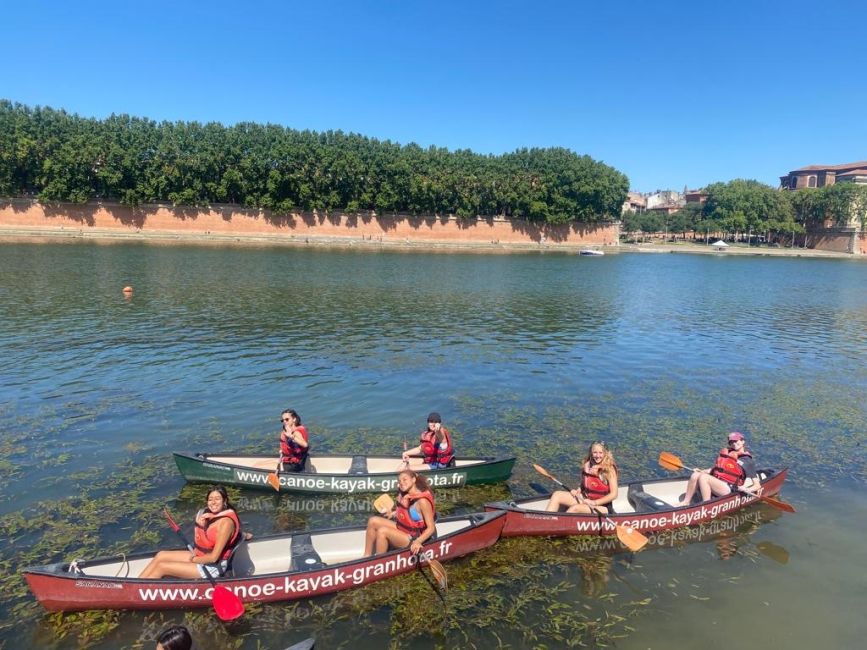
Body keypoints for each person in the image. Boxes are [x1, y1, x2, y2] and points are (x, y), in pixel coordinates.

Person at [139, 486, 243, 579]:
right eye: (210, 499)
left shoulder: (226, 523)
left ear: (224, 500)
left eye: (217, 499)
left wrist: (193, 559)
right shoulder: (211, 516)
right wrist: (245, 535)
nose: (213, 502)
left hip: (213, 567)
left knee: (162, 567)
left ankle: (138, 594)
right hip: (201, 557)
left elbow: (213, 558)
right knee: (161, 555)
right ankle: (135, 585)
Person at [364, 469, 436, 556]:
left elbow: (431, 528)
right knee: (373, 520)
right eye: (399, 481)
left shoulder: (422, 501)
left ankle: (379, 562)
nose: (401, 482)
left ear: (413, 480)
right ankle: (367, 556)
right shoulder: (405, 495)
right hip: (403, 528)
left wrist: (418, 541)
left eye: (405, 479)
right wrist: (393, 513)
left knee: (382, 531)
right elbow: (408, 513)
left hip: (414, 536)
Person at [679, 432, 764, 505]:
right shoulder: (727, 454)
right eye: (731, 442)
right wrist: (702, 471)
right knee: (696, 475)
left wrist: (747, 489)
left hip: (730, 488)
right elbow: (718, 470)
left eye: (736, 441)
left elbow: (757, 485)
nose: (734, 444)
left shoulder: (747, 461)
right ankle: (686, 502)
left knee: (704, 477)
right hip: (719, 482)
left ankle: (706, 505)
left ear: (742, 441)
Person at [545, 441, 619, 514]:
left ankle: (561, 524)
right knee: (557, 495)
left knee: (575, 508)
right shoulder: (588, 464)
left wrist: (595, 502)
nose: (597, 455)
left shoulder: (609, 469)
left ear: (605, 453)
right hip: (585, 499)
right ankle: (546, 519)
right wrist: (578, 490)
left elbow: (614, 494)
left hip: (603, 506)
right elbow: (586, 482)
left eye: (600, 453)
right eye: (595, 452)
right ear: (591, 453)